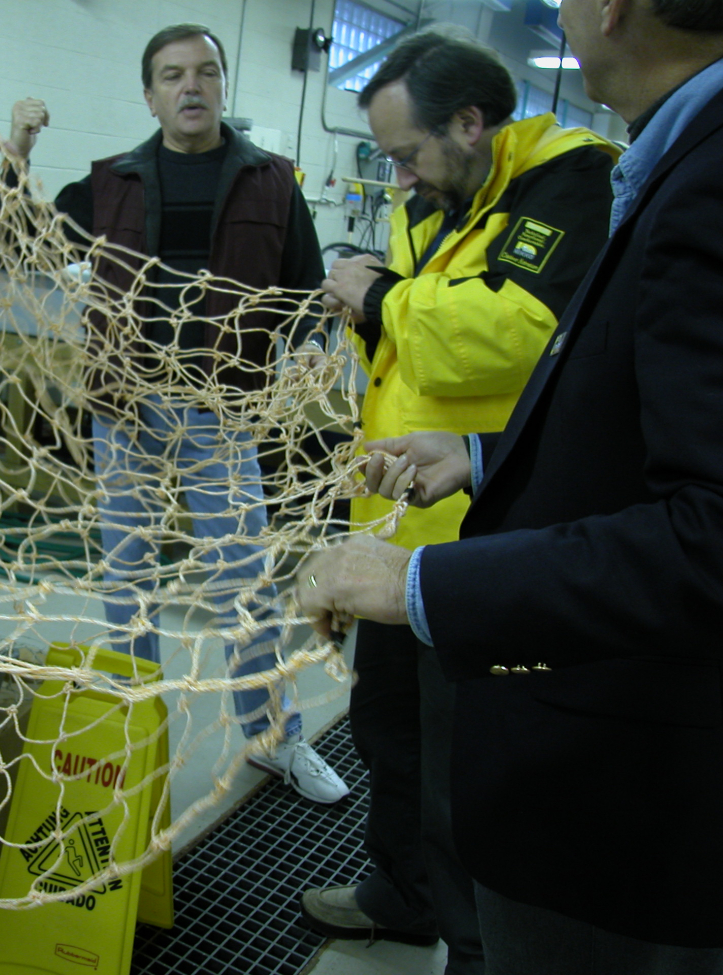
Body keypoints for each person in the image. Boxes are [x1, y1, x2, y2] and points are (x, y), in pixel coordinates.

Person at [298, 0, 723, 970]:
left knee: (462, 778)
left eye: (408, 154)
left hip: (524, 592)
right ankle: (414, 899)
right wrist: (478, 453)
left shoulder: (605, 180)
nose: (398, 177)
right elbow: (606, 398)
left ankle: (462, 932)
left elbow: (517, 335)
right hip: (436, 510)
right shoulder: (456, 202)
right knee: (397, 740)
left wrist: (384, 300)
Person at [0, 23, 346, 803]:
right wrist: (16, 151)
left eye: (205, 72)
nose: (191, 86)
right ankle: (133, 728)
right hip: (125, 408)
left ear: (223, 85)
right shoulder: (108, 181)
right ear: (149, 94)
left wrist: (294, 367)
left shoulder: (275, 183)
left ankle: (273, 739)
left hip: (221, 414)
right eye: (172, 75)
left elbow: (305, 296)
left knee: (245, 582)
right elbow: (22, 251)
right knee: (128, 579)